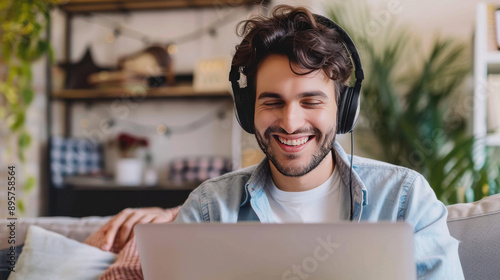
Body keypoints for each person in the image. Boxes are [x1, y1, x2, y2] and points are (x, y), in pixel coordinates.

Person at [87, 5, 464, 279]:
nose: (290, 122)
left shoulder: (404, 199)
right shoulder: (209, 208)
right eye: (272, 102)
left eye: (310, 101)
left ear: (343, 108)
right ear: (247, 108)